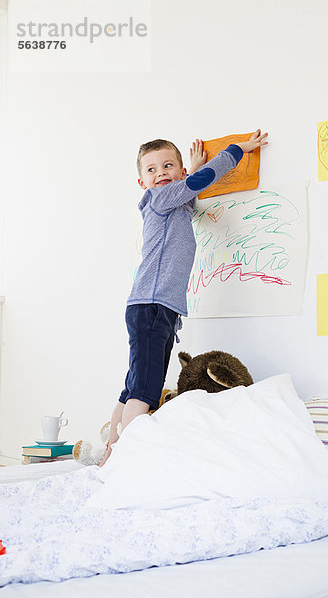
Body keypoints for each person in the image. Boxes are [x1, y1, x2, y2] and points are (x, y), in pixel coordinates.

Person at [99, 129, 268, 467]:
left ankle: (110, 449)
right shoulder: (159, 199)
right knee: (146, 391)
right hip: (150, 306)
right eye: (152, 169)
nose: (160, 173)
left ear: (178, 171)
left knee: (135, 384)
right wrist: (237, 150)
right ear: (141, 182)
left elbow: (189, 193)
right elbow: (200, 181)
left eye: (168, 166)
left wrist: (188, 168)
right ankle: (126, 461)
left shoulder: (173, 204)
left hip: (156, 308)